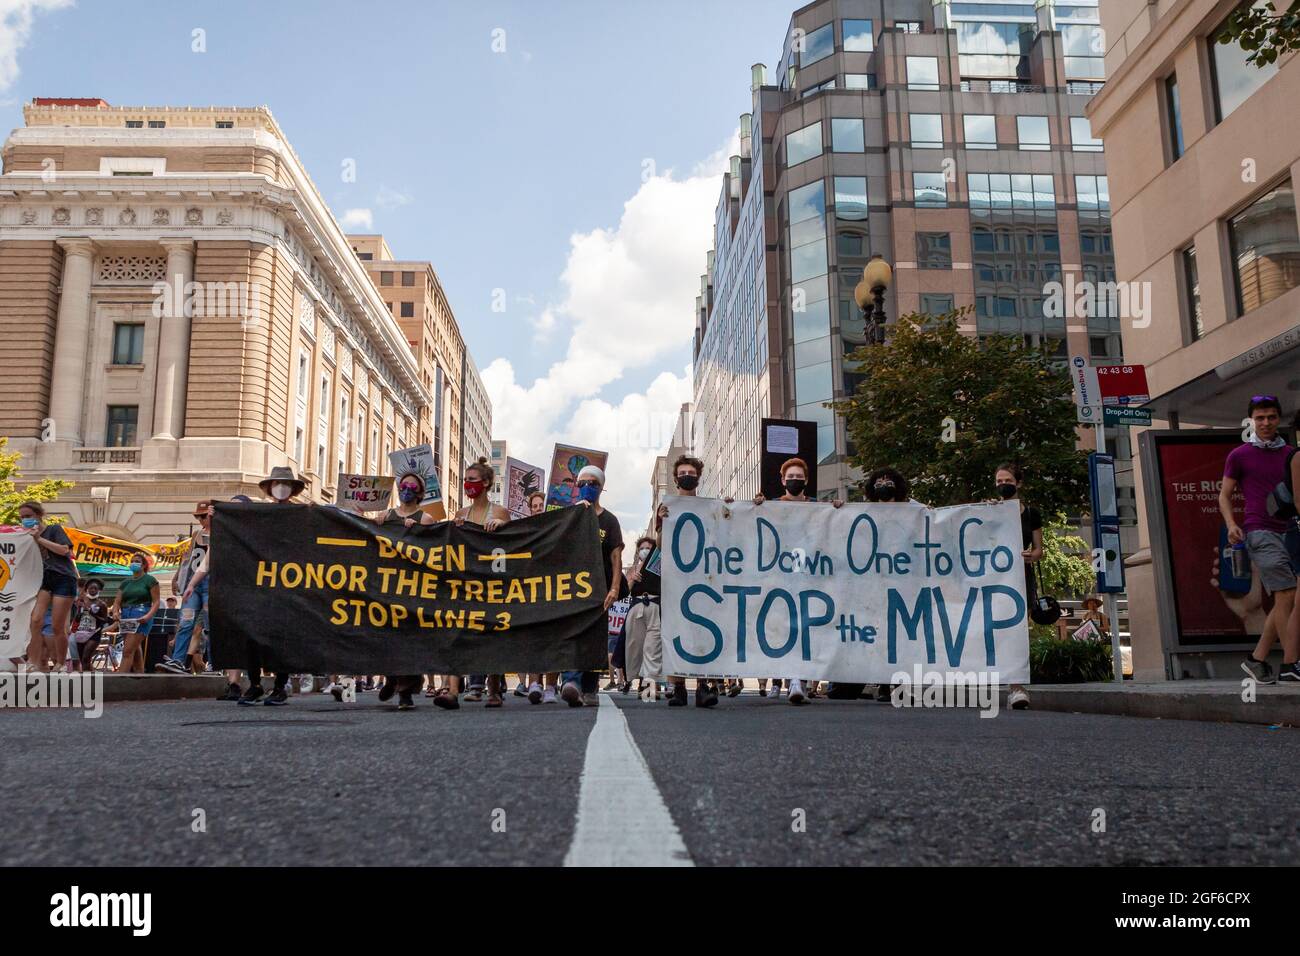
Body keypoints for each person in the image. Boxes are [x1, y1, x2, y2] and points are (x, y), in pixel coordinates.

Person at [753, 458, 843, 705]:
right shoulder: (771, 506)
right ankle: (784, 679)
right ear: (782, 481)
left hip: (809, 575)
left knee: (805, 627)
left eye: (798, 477)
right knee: (783, 627)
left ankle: (799, 680)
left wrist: (838, 511)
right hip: (781, 576)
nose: (794, 480)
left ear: (806, 480)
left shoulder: (818, 507)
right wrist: (756, 507)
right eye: (790, 477)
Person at [1226, 396, 1298, 684]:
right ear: (1251, 421)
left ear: (1278, 419)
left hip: (1291, 530)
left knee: (1286, 600)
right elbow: (1224, 495)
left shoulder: (1291, 454)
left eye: (1270, 417)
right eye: (1260, 418)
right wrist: (1232, 524)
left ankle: (1256, 658)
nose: (1265, 422)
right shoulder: (1240, 455)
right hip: (1259, 530)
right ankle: (1292, 663)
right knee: (1287, 595)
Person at [368, 472, 440, 711]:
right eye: (403, 485)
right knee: (387, 635)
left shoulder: (426, 518)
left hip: (414, 586)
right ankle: (391, 678)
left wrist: (419, 530)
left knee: (410, 638)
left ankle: (406, 690)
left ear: (419, 492)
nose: (406, 489)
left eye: (412, 486)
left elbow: (435, 547)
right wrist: (377, 523)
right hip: (388, 586)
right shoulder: (386, 516)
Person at [239, 467, 304, 706]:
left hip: (288, 585)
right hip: (259, 586)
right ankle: (254, 685)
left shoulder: (302, 514)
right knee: (252, 637)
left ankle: (279, 687)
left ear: (292, 489)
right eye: (277, 483)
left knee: (282, 639)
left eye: (285, 483)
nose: (281, 487)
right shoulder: (258, 514)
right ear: (270, 487)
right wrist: (219, 514)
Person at [561, 465, 624, 707]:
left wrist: (615, 588)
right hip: (573, 588)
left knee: (595, 638)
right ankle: (571, 682)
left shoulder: (610, 520)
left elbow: (616, 557)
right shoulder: (571, 515)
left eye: (592, 483)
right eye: (582, 483)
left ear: (601, 487)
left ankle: (589, 687)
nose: (587, 487)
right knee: (574, 634)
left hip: (600, 589)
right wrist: (577, 516)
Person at [648, 455, 708, 707]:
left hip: (704, 577)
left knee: (704, 630)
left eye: (691, 473)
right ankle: (679, 687)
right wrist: (662, 523)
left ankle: (704, 686)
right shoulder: (668, 508)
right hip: (675, 580)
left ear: (698, 478)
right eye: (682, 472)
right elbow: (661, 547)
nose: (687, 476)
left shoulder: (709, 506)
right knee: (677, 630)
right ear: (675, 479)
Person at [456, 458, 512, 707]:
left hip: (494, 581)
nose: (468, 484)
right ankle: (476, 684)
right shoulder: (460, 514)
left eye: (473, 480)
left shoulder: (499, 512)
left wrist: (503, 525)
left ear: (486, 483)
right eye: (465, 480)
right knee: (473, 630)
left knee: (494, 633)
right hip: (469, 581)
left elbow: (515, 541)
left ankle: (494, 689)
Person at [994, 463, 1042, 710]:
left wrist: (1029, 556)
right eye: (999, 481)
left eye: (1007, 480)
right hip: (991, 579)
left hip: (1019, 577)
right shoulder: (990, 511)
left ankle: (1016, 688)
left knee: (1016, 630)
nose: (1003, 485)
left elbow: (1038, 550)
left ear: (1019, 483)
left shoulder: (1031, 514)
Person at [156, 501, 214, 676]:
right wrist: (176, 578)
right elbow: (187, 559)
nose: (201, 520)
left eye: (204, 516)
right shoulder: (197, 534)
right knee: (186, 622)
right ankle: (179, 661)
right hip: (193, 583)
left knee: (210, 625)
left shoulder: (221, 534)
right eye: (198, 516)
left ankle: (213, 663)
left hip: (211, 583)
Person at [18, 501, 77, 672]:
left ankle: (61, 663)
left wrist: (39, 539)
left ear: (38, 515)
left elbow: (65, 550)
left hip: (64, 578)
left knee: (57, 626)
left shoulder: (54, 529)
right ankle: (33, 662)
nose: (25, 520)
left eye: (28, 516)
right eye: (22, 518)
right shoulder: (26, 536)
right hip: (44, 580)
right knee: (35, 620)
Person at [522, 490, 560, 704]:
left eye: (541, 505)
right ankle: (534, 684)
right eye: (534, 506)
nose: (538, 509)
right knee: (533, 639)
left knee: (553, 639)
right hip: (530, 591)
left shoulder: (558, 529)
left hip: (554, 590)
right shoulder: (524, 530)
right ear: (530, 509)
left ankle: (551, 688)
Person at [112, 554, 160, 674]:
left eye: (137, 561)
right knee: (134, 647)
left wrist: (148, 616)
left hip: (141, 615)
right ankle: (140, 675)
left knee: (127, 650)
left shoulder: (150, 580)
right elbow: (117, 601)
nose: (134, 563)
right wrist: (115, 612)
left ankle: (119, 679)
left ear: (144, 565)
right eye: (132, 561)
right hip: (126, 616)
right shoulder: (125, 583)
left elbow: (156, 602)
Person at [69, 578, 111, 672]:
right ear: (87, 589)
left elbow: (105, 620)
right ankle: (89, 678)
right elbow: (77, 617)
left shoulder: (102, 604)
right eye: (91, 588)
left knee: (86, 658)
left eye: (95, 589)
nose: (93, 590)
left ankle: (87, 680)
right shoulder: (81, 601)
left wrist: (93, 613)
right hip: (81, 632)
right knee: (83, 660)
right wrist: (78, 617)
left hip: (94, 633)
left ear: (99, 590)